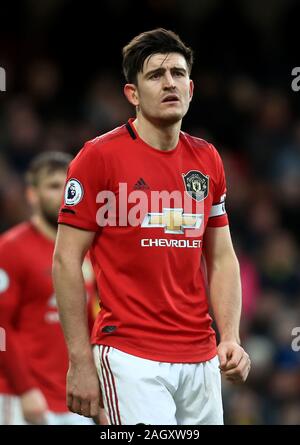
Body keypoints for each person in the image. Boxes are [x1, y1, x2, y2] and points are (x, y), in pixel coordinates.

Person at [53, 28, 251, 425]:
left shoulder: (207, 159)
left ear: (192, 89)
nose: (169, 83)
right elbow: (64, 261)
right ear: (132, 93)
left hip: (201, 356)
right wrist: (79, 361)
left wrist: (230, 336)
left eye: (178, 74)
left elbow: (222, 256)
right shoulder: (98, 158)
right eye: (156, 75)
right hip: (130, 356)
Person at [0, 152, 103, 425]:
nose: (62, 194)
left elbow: (91, 321)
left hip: (73, 395)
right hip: (23, 397)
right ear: (32, 195)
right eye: (53, 186)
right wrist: (25, 390)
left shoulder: (86, 252)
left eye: (67, 186)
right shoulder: (10, 250)